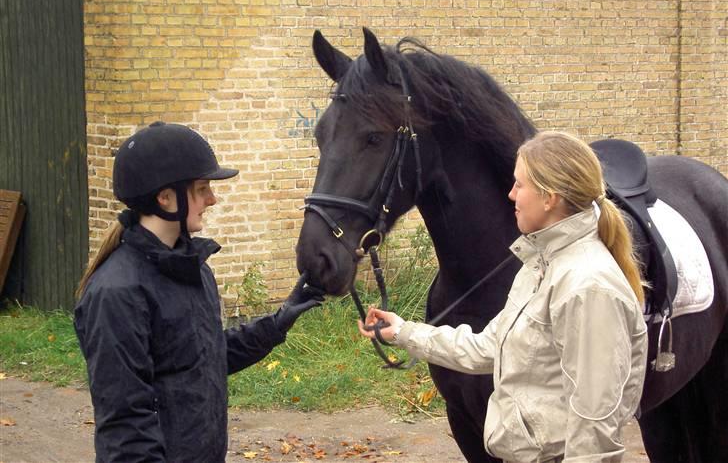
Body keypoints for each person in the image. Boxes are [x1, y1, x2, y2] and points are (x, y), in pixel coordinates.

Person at [359, 131, 649, 463]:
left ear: (549, 197)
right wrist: (402, 332)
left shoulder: (588, 287)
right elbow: (488, 348)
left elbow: (595, 428)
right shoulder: (540, 265)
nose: (511, 195)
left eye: (519, 185)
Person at [74, 121, 324, 463]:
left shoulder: (193, 267)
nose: (212, 199)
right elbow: (125, 424)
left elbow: (204, 360)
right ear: (165, 198)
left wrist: (277, 324)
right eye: (202, 188)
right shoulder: (117, 292)